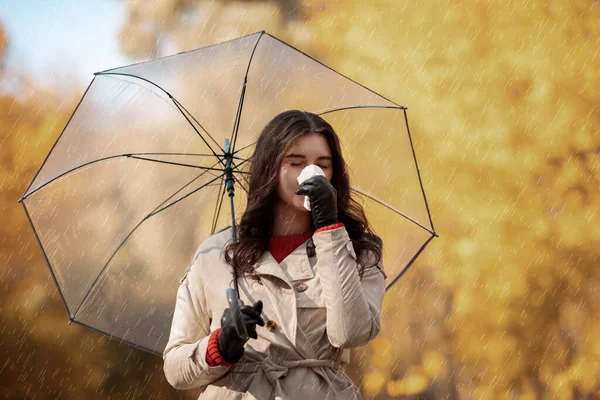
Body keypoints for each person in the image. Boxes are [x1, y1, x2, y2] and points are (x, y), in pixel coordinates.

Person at [162, 110, 386, 399]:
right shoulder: (216, 253)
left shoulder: (359, 250)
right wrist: (221, 346)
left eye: (323, 165)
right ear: (270, 168)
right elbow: (175, 368)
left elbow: (349, 333)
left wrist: (330, 227)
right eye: (296, 163)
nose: (311, 174)